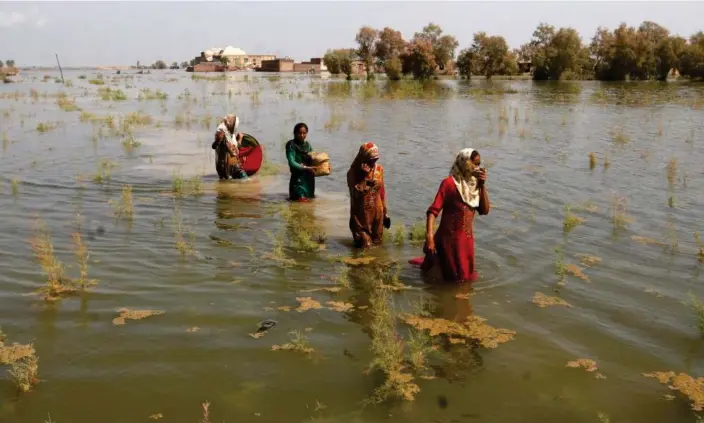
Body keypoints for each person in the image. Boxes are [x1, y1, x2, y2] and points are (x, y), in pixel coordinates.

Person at [421, 148, 490, 283]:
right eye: (475, 164)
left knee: (463, 279)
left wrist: (482, 185)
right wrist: (429, 237)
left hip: (466, 242)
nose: (478, 168)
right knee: (448, 282)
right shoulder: (449, 184)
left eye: (479, 164)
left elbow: (485, 210)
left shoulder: (475, 186)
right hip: (448, 241)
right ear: (464, 163)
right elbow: (432, 212)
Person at [347, 142, 389, 248]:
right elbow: (355, 194)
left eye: (375, 159)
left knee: (377, 245)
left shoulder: (379, 169)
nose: (373, 162)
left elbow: (382, 191)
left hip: (377, 215)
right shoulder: (352, 173)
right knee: (365, 247)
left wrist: (385, 213)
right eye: (370, 159)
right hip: (360, 218)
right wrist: (364, 178)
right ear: (363, 157)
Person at [211, 114, 248, 180]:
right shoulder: (223, 132)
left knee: (226, 186)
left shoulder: (227, 133)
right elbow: (233, 151)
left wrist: (239, 139)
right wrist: (240, 140)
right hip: (230, 165)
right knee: (246, 181)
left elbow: (232, 148)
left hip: (223, 166)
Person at [285, 122, 315, 201]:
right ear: (294, 133)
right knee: (299, 202)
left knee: (309, 203)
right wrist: (305, 167)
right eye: (299, 133)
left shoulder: (308, 145)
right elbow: (291, 162)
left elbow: (314, 158)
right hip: (297, 179)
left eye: (304, 133)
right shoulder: (291, 145)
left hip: (309, 179)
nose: (302, 135)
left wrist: (324, 164)